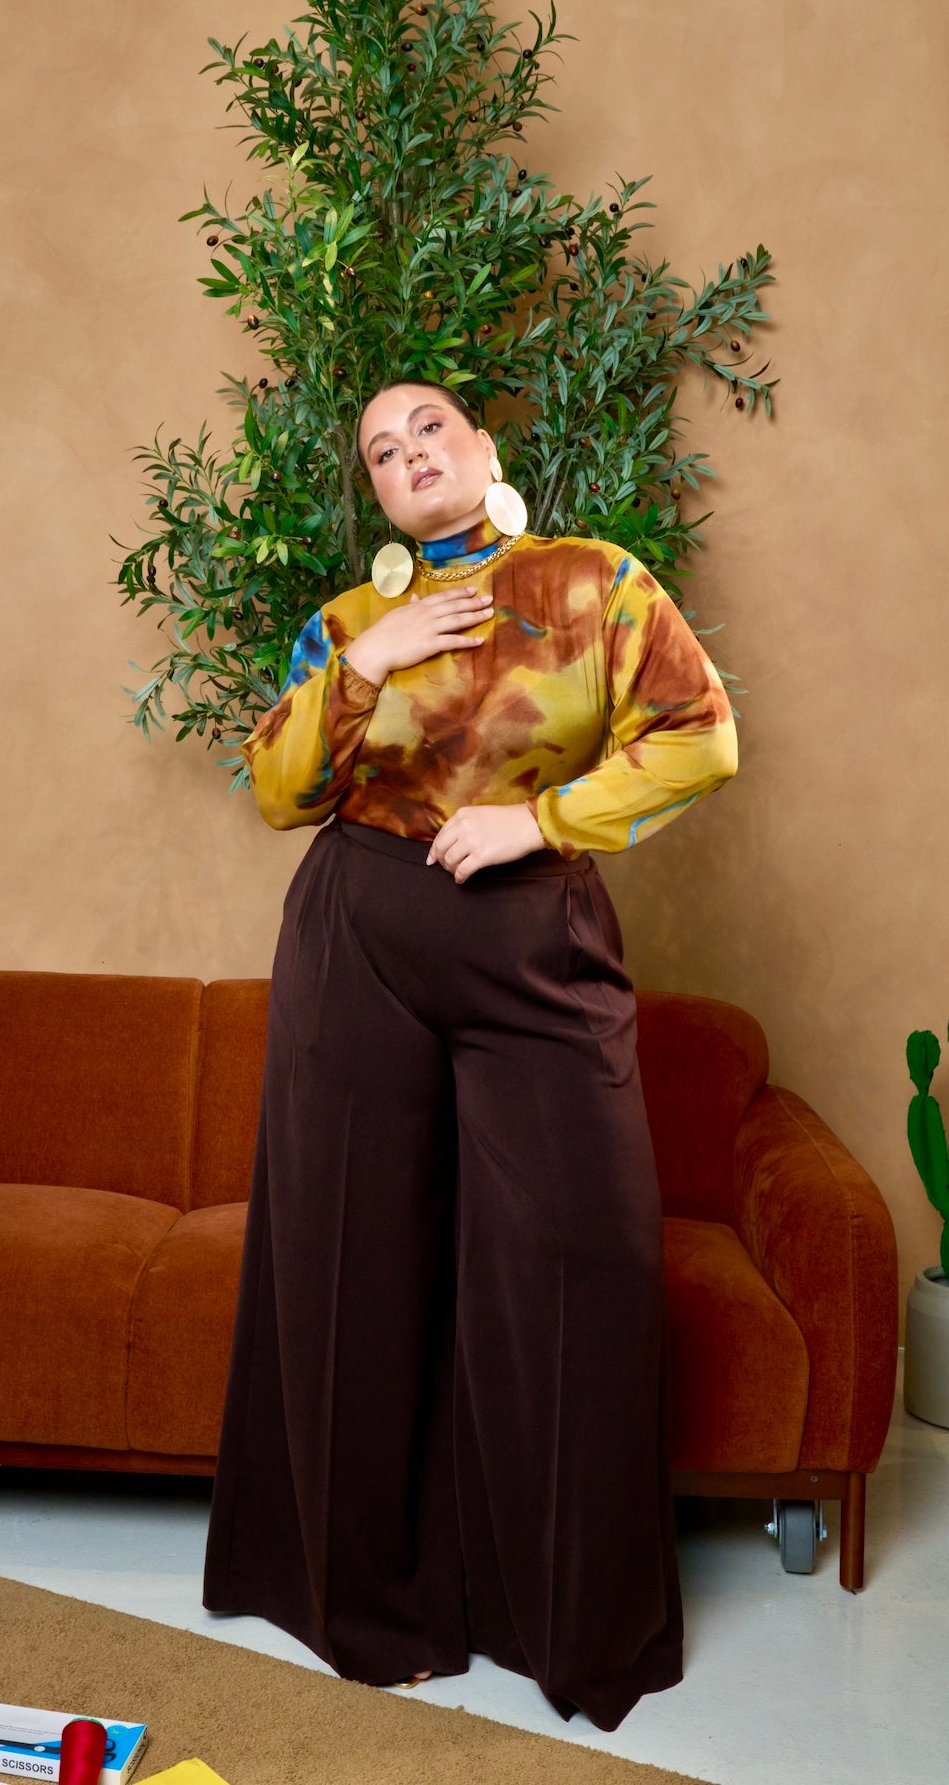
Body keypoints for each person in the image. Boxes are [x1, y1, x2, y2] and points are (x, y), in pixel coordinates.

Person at [200, 376, 739, 1732]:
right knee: (353, 1260)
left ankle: (567, 1620)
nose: (408, 456)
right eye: (382, 452)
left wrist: (542, 822)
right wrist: (368, 662)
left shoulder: (594, 583)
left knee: (576, 1258)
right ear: (378, 494)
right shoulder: (345, 624)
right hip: (356, 943)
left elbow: (703, 739)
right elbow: (278, 792)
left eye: (428, 428)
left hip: (534, 941)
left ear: (485, 444)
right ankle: (375, 1613)